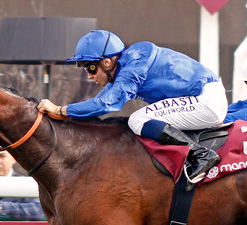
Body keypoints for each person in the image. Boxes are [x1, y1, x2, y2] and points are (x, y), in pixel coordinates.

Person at [37, 30, 227, 184]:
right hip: (202, 98)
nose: (88, 75)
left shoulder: (134, 65)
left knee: (138, 119)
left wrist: (59, 110)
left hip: (206, 100)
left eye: (90, 67)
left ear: (107, 61)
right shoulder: (127, 64)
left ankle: (200, 154)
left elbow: (105, 104)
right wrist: (65, 112)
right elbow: (99, 101)